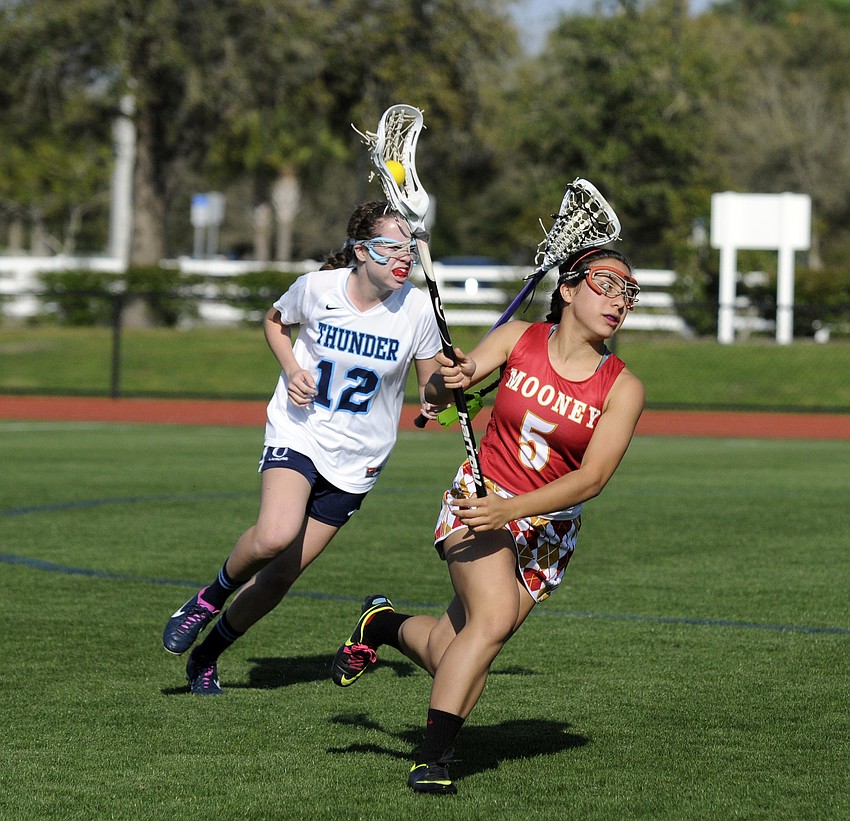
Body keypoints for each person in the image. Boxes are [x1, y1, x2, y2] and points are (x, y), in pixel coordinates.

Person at [330, 246, 645, 794]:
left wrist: (516, 511)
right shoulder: (518, 338)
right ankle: (433, 759)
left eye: (628, 293)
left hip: (547, 529)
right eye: (606, 284)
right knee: (493, 620)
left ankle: (379, 624)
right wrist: (451, 377)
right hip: (480, 498)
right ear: (568, 290)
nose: (618, 300)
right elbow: (443, 390)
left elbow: (593, 478)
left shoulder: (623, 387)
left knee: (451, 653)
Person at [162, 200, 442, 694]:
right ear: (361, 251)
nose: (402, 258)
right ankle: (206, 599)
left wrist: (450, 382)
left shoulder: (418, 309)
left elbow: (432, 391)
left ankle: (207, 655)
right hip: (301, 430)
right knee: (274, 535)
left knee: (278, 578)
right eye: (389, 246)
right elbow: (275, 321)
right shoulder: (317, 288)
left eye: (408, 249)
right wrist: (292, 370)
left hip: (359, 461)